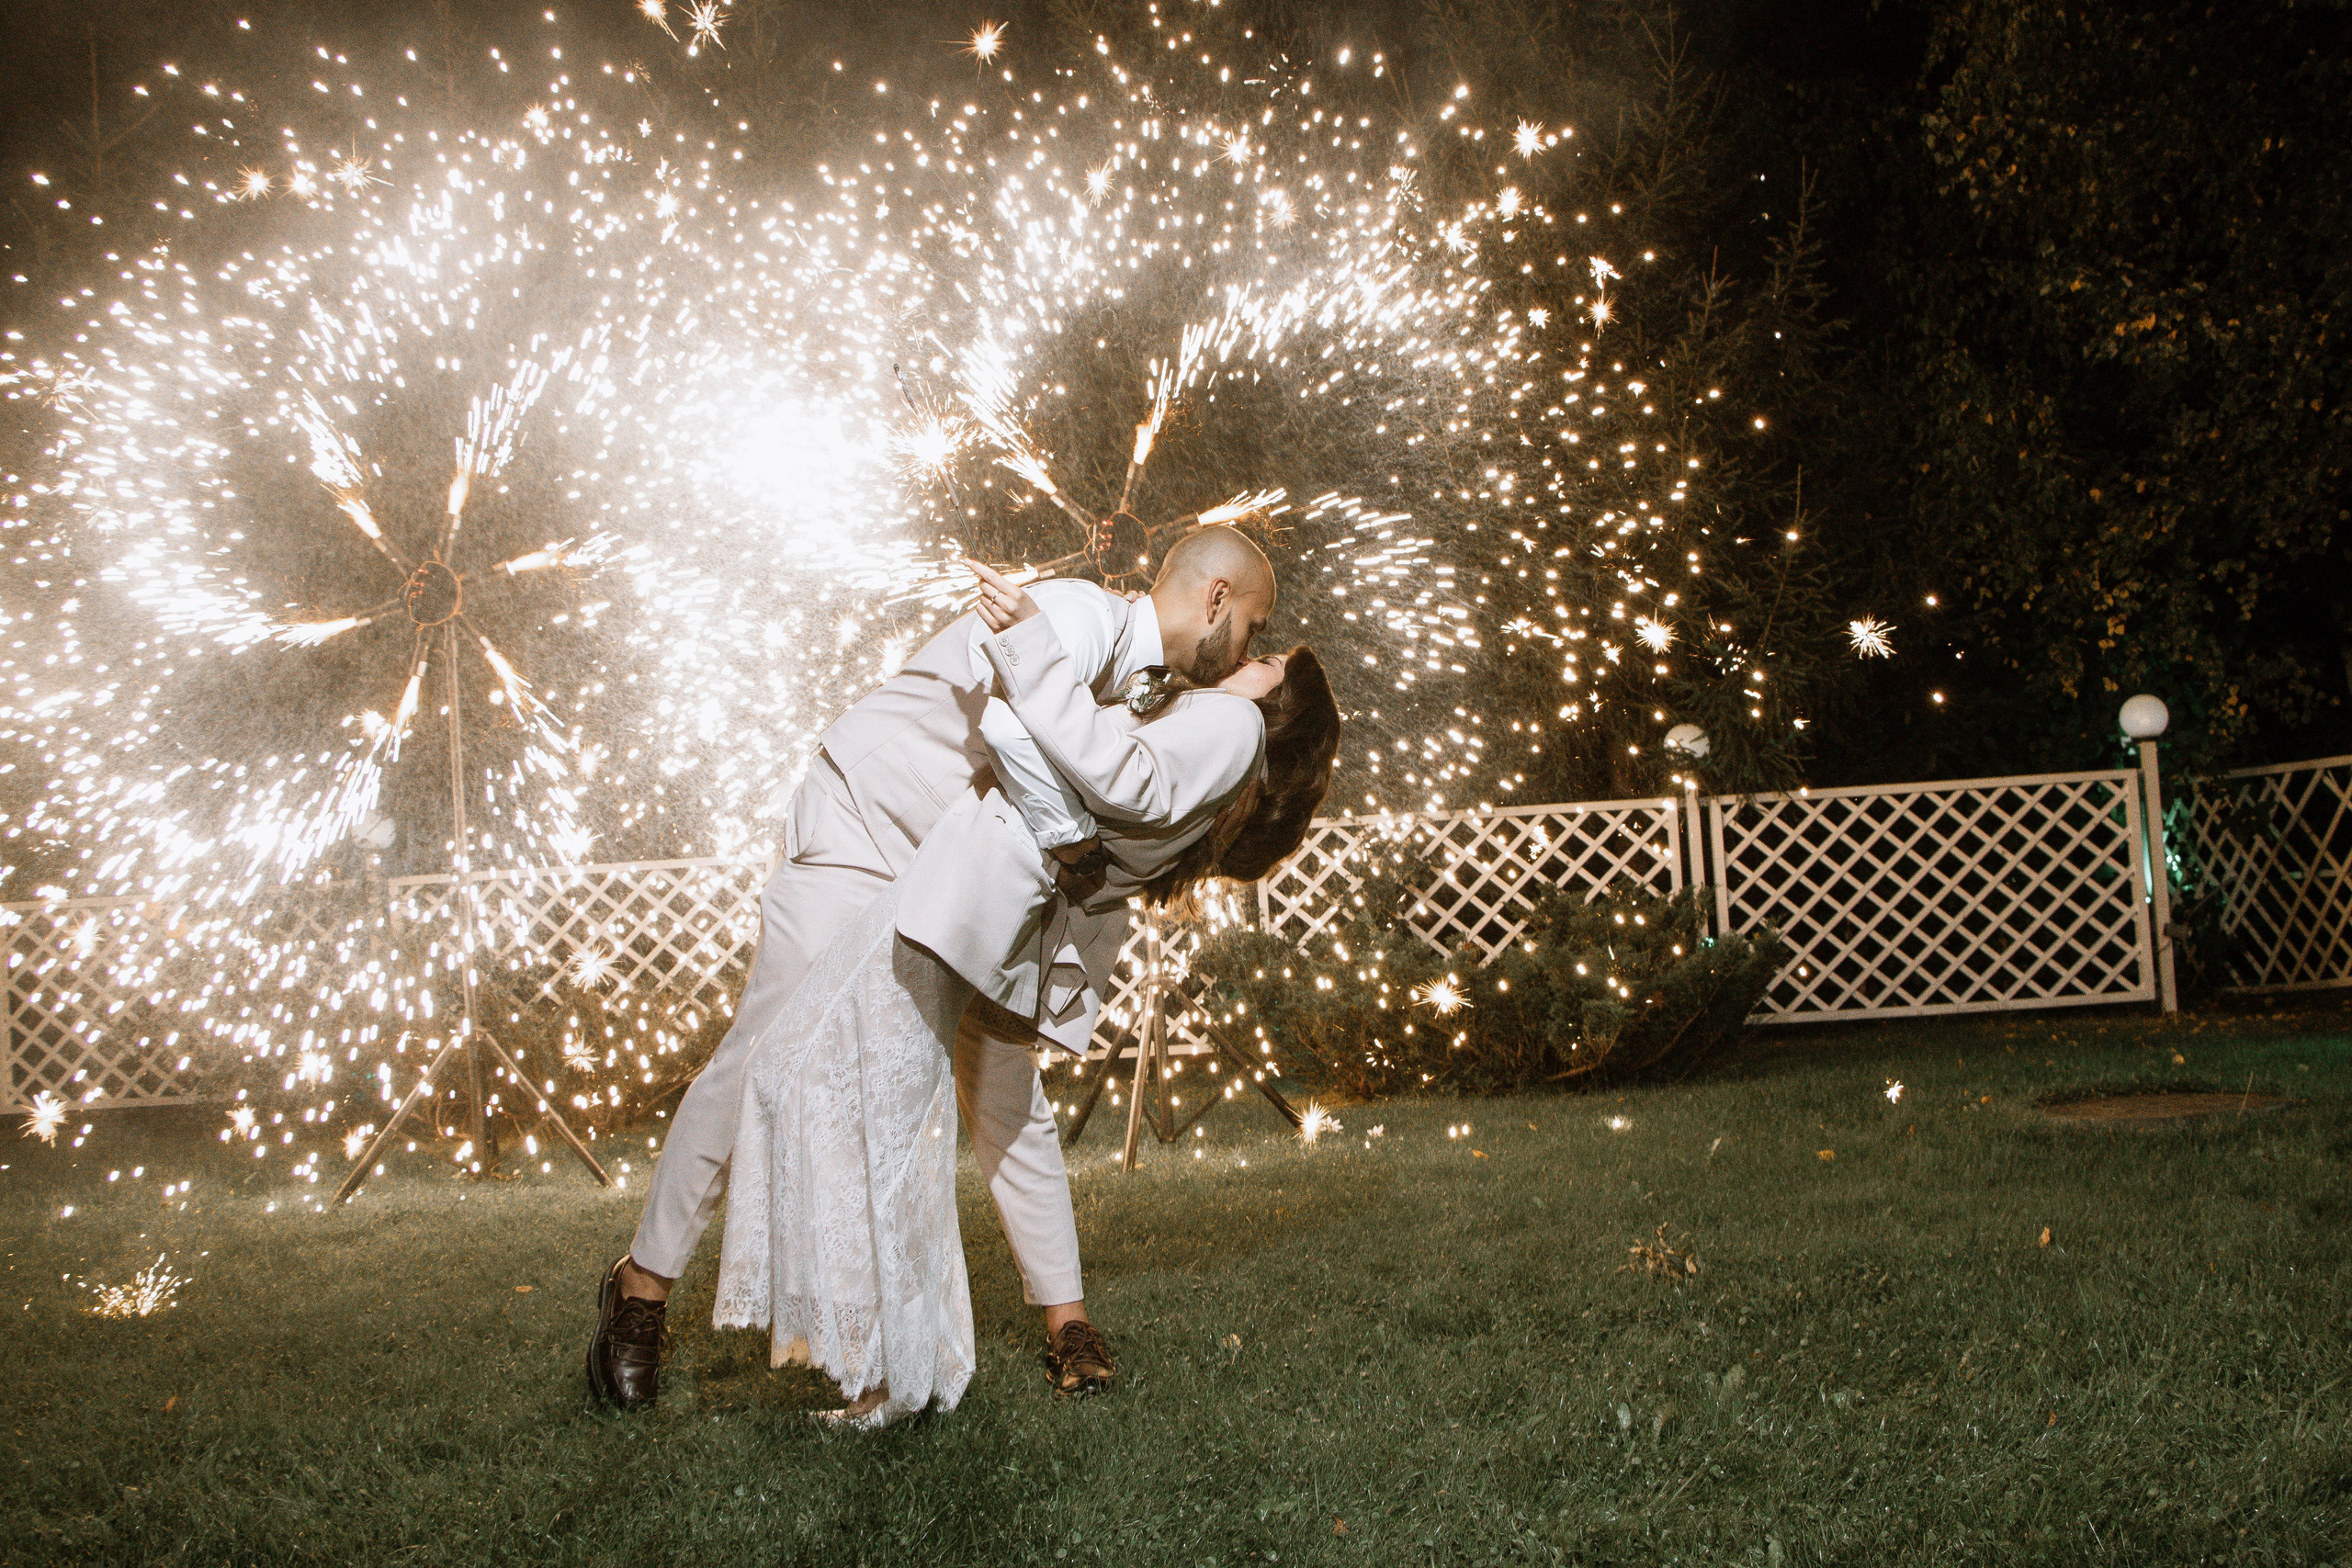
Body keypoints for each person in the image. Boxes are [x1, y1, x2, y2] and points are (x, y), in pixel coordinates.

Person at [587, 528, 1279, 1411]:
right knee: (765, 1059)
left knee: (996, 1090)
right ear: (1216, 598)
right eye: (1253, 625)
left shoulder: (1147, 691)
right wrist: (1073, 841)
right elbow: (1012, 736)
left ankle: (1047, 1323)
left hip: (939, 880)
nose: (1247, 650)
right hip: (861, 832)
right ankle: (641, 1290)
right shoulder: (1066, 615)